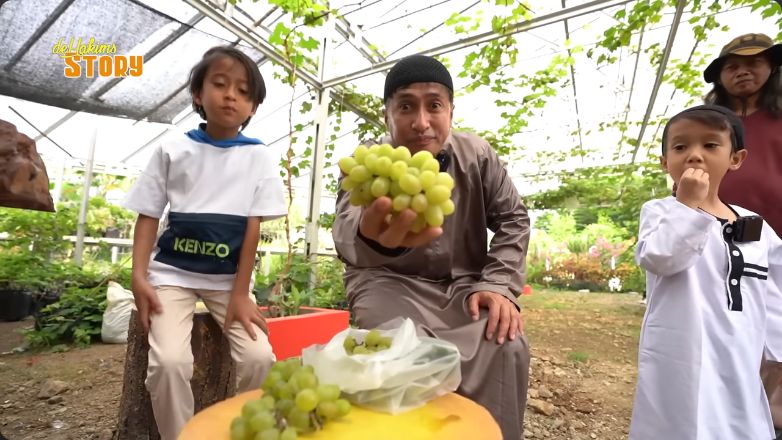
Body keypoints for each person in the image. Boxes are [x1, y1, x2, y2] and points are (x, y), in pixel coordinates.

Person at [332, 54, 531, 439]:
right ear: (387, 114)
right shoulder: (369, 163)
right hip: (386, 283)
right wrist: (374, 240)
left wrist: (498, 283)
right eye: (406, 106)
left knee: (506, 344)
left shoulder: (478, 156)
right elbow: (345, 231)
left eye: (434, 105)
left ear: (451, 111)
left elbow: (513, 219)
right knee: (396, 349)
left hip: (465, 289)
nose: (421, 122)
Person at [123, 46, 286, 440]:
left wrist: (241, 292)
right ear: (198, 94)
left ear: (253, 107)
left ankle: (246, 429)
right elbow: (147, 214)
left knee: (260, 357)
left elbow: (252, 229)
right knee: (169, 364)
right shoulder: (172, 149)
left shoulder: (258, 157)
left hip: (226, 281)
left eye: (244, 91)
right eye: (220, 84)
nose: (231, 95)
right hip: (171, 277)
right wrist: (139, 276)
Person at [629, 105, 782, 439]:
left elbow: (771, 290)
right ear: (665, 162)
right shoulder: (660, 212)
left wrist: (778, 352)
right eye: (681, 147)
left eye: (710, 145)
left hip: (740, 351)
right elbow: (661, 257)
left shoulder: (754, 225)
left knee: (741, 421)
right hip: (683, 351)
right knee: (683, 423)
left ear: (736, 158)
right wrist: (687, 207)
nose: (694, 156)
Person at [704, 33, 782, 437]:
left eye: (753, 63)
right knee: (727, 335)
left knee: (776, 340)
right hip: (720, 245)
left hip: (776, 245)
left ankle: (768, 420)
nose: (743, 71)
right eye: (732, 65)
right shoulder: (710, 124)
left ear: (772, 68)